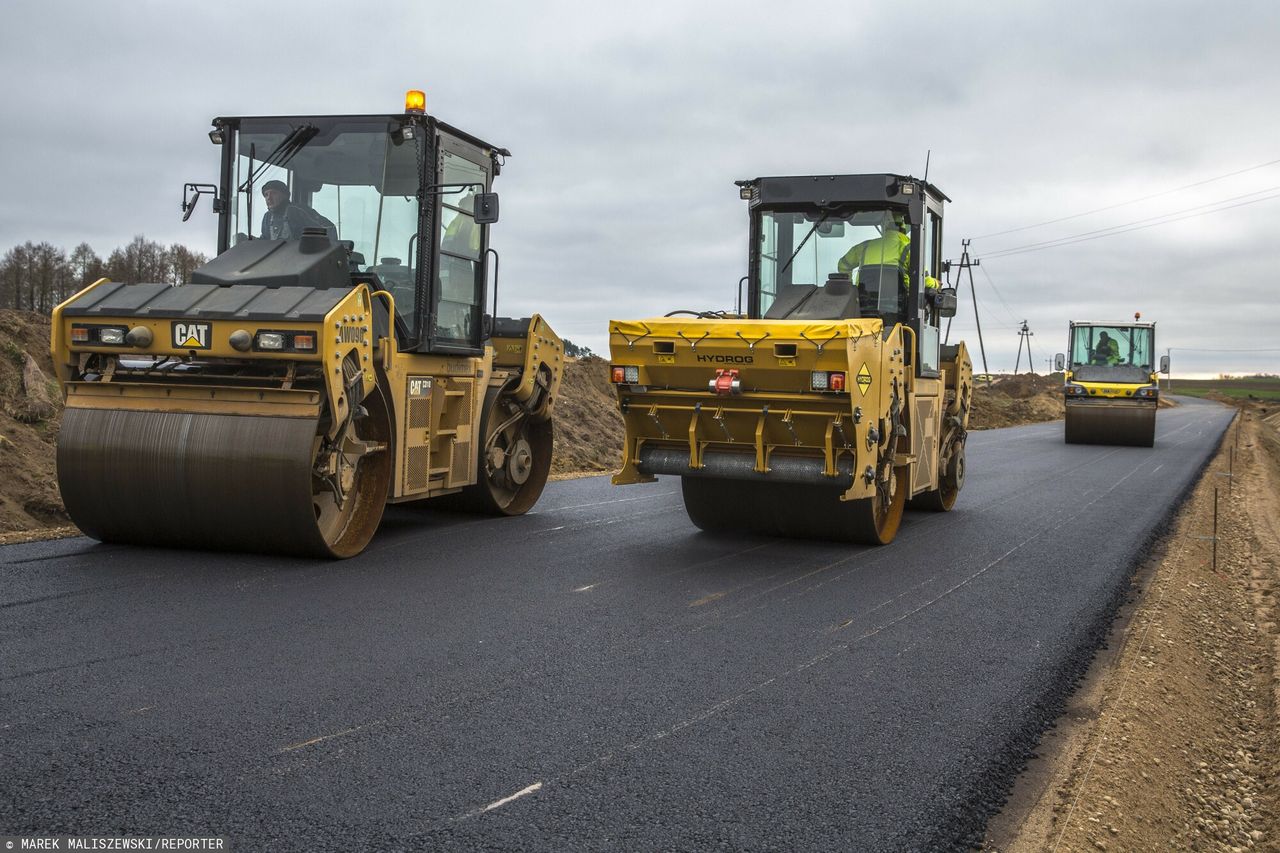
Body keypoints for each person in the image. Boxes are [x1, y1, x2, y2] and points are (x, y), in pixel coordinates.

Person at [259, 179, 336, 240]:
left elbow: (329, 228)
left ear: (285, 195)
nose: (269, 198)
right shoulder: (267, 217)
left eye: (274, 193)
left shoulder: (296, 211)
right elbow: (264, 242)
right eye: (266, 195)